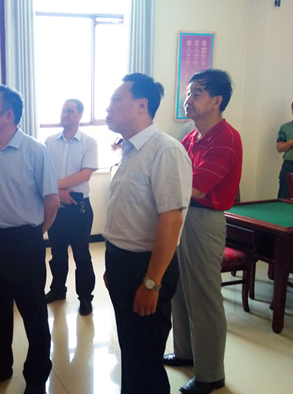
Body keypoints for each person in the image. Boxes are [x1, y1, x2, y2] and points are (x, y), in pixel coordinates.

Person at [103, 73, 192, 394]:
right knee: (132, 349)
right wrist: (113, 265)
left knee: (145, 357)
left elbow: (171, 221)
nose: (108, 107)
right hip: (122, 263)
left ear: (141, 105)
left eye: (116, 100)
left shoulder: (165, 151)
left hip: (147, 267)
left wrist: (151, 283)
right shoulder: (129, 149)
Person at [0, 85, 60, 394]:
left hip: (24, 241)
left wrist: (33, 234)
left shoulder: (36, 151)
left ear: (8, 115)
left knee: (33, 311)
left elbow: (52, 202)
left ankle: (36, 377)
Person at [164, 69, 243, 394]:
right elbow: (173, 174)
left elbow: (196, 187)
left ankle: (211, 374)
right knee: (180, 290)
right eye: (188, 93)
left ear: (216, 101)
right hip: (182, 215)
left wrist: (165, 184)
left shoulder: (226, 137)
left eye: (197, 94)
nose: (189, 99)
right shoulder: (191, 137)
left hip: (204, 219)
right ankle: (185, 352)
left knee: (204, 297)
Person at [44, 99, 98, 316]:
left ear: (80, 115)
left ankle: (85, 297)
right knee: (57, 253)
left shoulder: (89, 142)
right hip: (55, 207)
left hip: (79, 207)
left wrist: (55, 186)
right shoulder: (49, 141)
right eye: (63, 111)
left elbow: (85, 174)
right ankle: (58, 289)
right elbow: (44, 171)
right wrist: (58, 193)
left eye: (70, 111)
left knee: (81, 254)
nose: (65, 114)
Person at [276, 102, 293, 198]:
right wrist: (291, 142)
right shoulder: (285, 127)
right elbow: (279, 148)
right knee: (284, 197)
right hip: (289, 166)